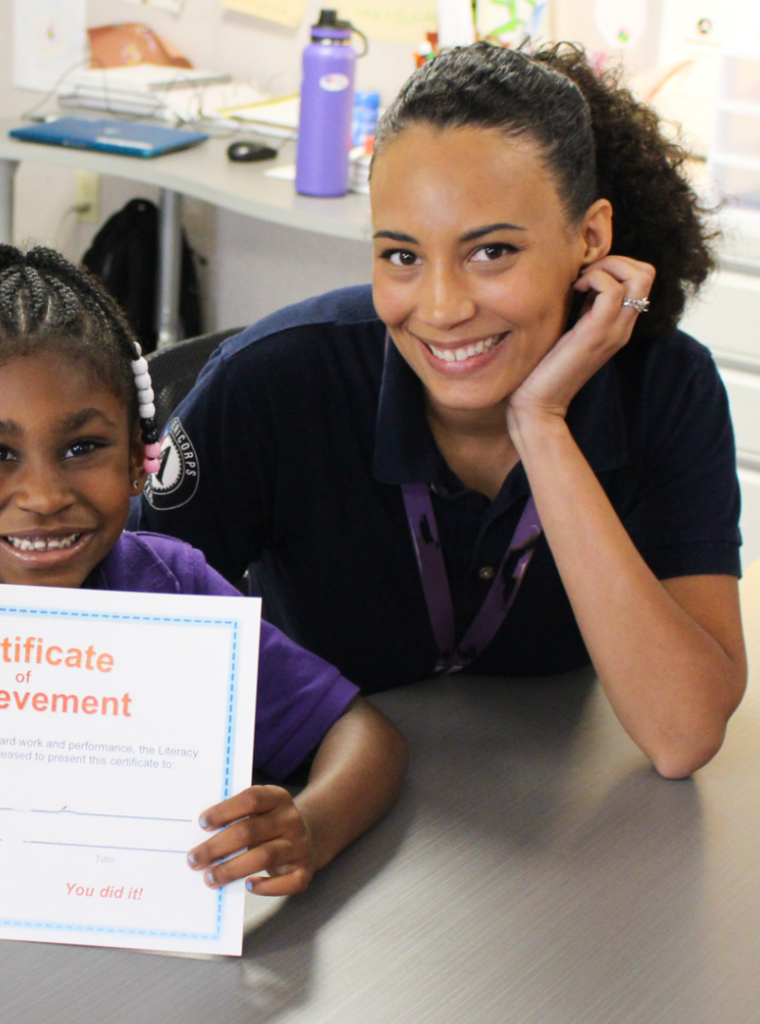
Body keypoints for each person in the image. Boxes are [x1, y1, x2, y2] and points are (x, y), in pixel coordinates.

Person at [0, 245, 407, 1024]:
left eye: (83, 447)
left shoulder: (176, 594)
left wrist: (309, 827)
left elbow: (365, 736)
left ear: (137, 455)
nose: (46, 494)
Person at [140, 41, 747, 780]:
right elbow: (122, 647)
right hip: (320, 791)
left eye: (491, 252)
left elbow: (681, 734)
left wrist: (542, 424)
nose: (441, 308)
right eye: (401, 256)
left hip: (544, 816)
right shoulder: (273, 383)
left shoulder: (666, 390)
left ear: (590, 238)